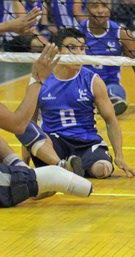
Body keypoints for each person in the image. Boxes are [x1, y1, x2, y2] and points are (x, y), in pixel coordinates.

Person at [25, 28, 135, 179]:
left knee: (102, 169)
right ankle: (65, 165)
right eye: (72, 48)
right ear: (57, 51)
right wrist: (24, 164)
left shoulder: (93, 81)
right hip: (54, 143)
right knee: (40, 142)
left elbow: (111, 121)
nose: (78, 53)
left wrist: (119, 156)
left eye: (82, 48)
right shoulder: (41, 80)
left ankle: (67, 168)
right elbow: (29, 125)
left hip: (85, 142)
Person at [0, 44, 93, 207]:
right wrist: (37, 79)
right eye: (72, 47)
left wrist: (11, 26)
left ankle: (38, 168)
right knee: (83, 181)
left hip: (78, 140)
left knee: (29, 128)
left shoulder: (91, 78)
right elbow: (18, 124)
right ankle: (49, 172)